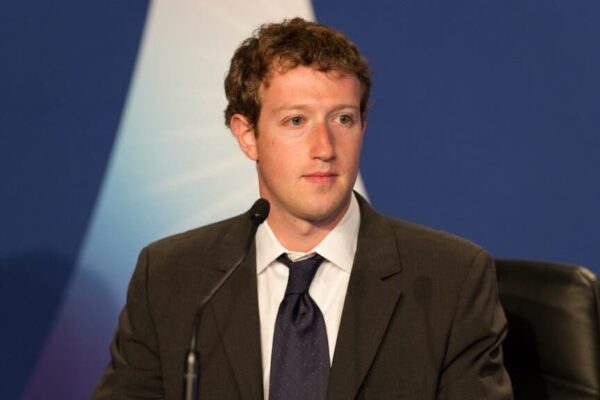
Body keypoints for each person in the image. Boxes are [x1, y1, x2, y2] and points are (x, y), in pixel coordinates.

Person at [93, 17, 512, 400]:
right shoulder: (171, 279)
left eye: (343, 119)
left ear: (363, 126)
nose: (324, 148)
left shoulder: (449, 279)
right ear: (247, 135)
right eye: (296, 121)